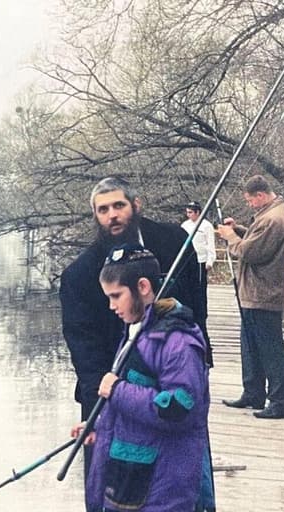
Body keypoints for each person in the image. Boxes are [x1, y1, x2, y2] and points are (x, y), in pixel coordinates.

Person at [59, 177, 207, 509]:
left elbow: (198, 303)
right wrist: (102, 412)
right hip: (107, 388)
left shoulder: (175, 241)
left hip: (172, 383)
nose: (112, 215)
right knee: (106, 489)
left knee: (182, 482)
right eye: (103, 210)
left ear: (135, 205)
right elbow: (84, 349)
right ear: (95, 215)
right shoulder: (79, 275)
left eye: (118, 206)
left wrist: (200, 355)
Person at [216, 174, 284, 420]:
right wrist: (238, 229)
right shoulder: (269, 216)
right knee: (251, 347)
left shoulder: (273, 219)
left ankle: (279, 402)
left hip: (264, 293)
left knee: (270, 349)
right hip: (253, 293)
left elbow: (251, 251)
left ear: (261, 195)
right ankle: (253, 392)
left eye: (250, 200)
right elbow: (255, 239)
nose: (250, 204)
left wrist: (230, 237)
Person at [181, 201, 216, 348]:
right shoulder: (184, 225)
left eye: (191, 212)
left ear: (198, 212)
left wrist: (210, 261)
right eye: (187, 212)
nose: (189, 215)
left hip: (201, 261)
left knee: (201, 290)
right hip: (188, 261)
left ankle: (202, 315)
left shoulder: (206, 226)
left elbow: (210, 244)